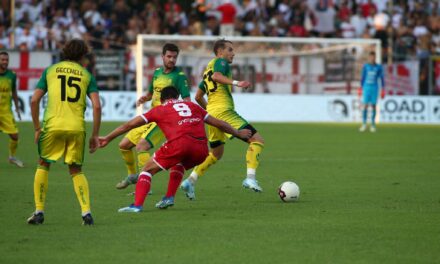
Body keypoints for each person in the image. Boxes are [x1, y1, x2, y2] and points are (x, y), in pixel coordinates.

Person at [98, 86, 251, 212]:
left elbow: (129, 125)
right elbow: (218, 123)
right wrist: (238, 133)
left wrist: (108, 137)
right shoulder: (192, 106)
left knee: (146, 170)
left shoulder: (159, 109)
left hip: (180, 143)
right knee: (179, 163)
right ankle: (168, 198)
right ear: (177, 96)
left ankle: (137, 205)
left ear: (161, 99)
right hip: (201, 149)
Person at [27, 39, 102, 225]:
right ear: (83, 55)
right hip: (76, 127)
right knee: (76, 170)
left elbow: (34, 100)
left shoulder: (50, 71)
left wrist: (37, 128)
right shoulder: (86, 75)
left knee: (43, 164)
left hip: (53, 126)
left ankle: (39, 212)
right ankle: (86, 213)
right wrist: (94, 135)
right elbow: (97, 106)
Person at [180, 39, 265, 200]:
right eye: (230, 50)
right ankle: (250, 178)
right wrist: (237, 82)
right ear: (220, 52)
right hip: (223, 110)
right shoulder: (221, 63)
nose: (233, 53)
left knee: (216, 153)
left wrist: (211, 114)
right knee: (257, 140)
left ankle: (191, 180)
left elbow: (198, 97)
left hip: (212, 115)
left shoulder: (208, 69)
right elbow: (218, 76)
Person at [116, 43, 191, 190]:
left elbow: (187, 100)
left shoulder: (180, 77)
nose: (172, 60)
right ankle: (132, 176)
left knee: (141, 146)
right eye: (169, 56)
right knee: (124, 145)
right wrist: (144, 98)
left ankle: (144, 185)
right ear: (162, 56)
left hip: (164, 120)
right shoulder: (157, 73)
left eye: (174, 57)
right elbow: (151, 94)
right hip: (151, 116)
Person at [0, 51, 24, 167]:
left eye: (6, 60)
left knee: (15, 136)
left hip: (6, 112)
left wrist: (17, 108)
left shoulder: (12, 75)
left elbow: (14, 91)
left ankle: (12, 157)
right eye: (3, 60)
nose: (5, 62)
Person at [359, 51, 385, 132]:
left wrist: (383, 89)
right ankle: (364, 124)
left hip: (374, 87)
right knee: (365, 105)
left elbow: (382, 78)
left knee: (374, 105)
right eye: (370, 57)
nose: (371, 58)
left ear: (375, 57)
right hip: (366, 87)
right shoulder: (366, 66)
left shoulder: (378, 67)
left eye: (373, 57)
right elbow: (363, 77)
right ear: (369, 58)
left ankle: (373, 124)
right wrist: (360, 88)